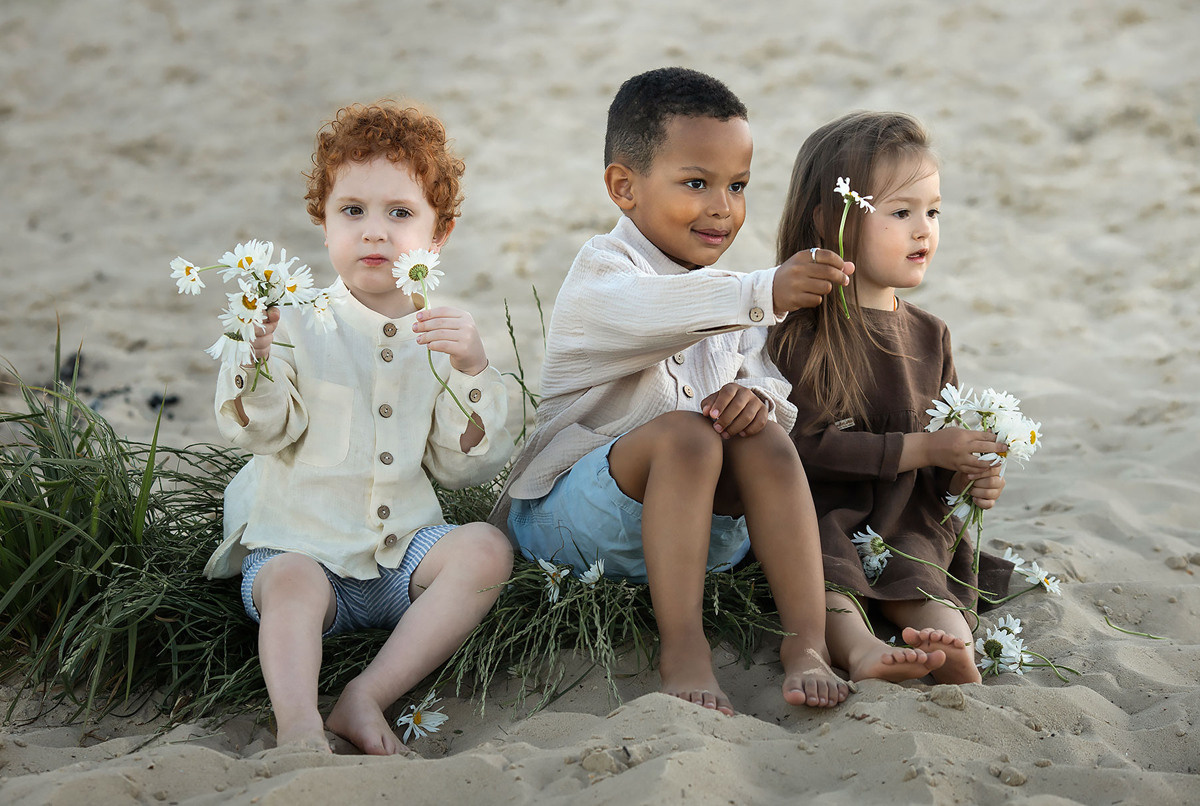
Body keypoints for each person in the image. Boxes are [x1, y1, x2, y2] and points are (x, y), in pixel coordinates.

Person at [493, 67, 854, 714]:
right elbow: (650, 310)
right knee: (688, 434)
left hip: (708, 539)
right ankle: (683, 646)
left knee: (765, 434)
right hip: (576, 526)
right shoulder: (604, 275)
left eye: (738, 186)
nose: (723, 207)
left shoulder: (736, 298)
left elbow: (767, 379)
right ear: (623, 187)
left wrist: (757, 400)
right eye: (697, 183)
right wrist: (763, 291)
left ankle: (806, 642)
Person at [203, 102, 513, 755]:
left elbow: (463, 466)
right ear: (322, 224)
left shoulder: (441, 336)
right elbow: (260, 431)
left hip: (401, 557)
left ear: (440, 233)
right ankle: (298, 727)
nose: (374, 232)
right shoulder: (291, 322)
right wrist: (253, 357)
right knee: (287, 580)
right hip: (303, 548)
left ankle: (366, 694)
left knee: (485, 548)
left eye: (400, 213)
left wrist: (472, 367)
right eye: (352, 211)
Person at [767, 111, 1014, 685]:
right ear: (833, 220)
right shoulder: (803, 331)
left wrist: (965, 477)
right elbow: (802, 448)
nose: (923, 230)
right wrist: (926, 449)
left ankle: (950, 645)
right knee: (827, 576)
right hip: (823, 512)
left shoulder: (932, 335)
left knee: (925, 570)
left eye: (932, 211)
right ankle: (859, 650)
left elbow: (938, 465)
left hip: (904, 516)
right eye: (900, 213)